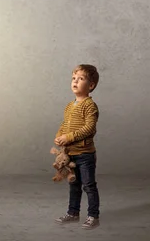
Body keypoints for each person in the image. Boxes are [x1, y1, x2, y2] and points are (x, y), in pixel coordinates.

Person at [53, 64, 101, 229]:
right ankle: (73, 213)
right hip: (70, 155)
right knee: (74, 185)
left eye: (81, 79)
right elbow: (65, 123)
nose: (75, 81)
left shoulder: (90, 106)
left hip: (85, 155)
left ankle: (93, 216)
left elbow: (89, 128)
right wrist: (60, 136)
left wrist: (69, 137)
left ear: (91, 85)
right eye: (74, 78)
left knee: (88, 185)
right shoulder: (69, 106)